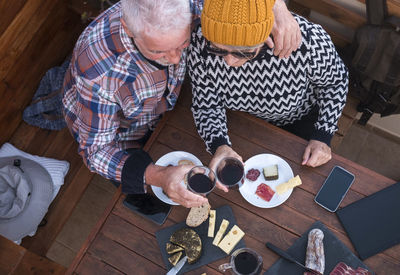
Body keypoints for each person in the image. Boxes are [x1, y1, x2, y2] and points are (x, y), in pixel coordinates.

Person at [62, 0, 302, 208]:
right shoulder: (97, 72)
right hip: (123, 135)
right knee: (144, 196)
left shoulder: (194, 4)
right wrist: (158, 175)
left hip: (172, 106)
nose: (175, 59)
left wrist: (276, 8)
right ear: (128, 28)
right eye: (159, 52)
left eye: (183, 44)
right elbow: (96, 153)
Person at [187, 0, 349, 192]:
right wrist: (219, 145)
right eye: (218, 50)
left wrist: (323, 134)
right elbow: (207, 105)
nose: (229, 62)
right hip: (241, 122)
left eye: (243, 52)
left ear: (266, 38)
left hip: (300, 121)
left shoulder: (307, 41)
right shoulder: (199, 44)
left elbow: (335, 82)